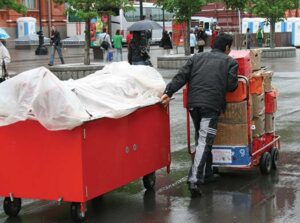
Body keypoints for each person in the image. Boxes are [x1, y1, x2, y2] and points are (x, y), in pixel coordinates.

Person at [160, 34, 238, 197]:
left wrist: (168, 91)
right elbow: (231, 86)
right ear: (227, 48)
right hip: (210, 107)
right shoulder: (230, 62)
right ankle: (194, 179)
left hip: (193, 105)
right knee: (204, 141)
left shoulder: (197, 58)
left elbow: (182, 76)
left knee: (201, 139)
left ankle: (207, 174)